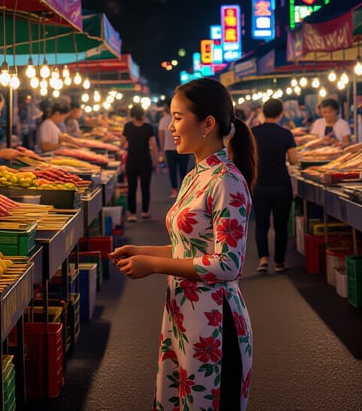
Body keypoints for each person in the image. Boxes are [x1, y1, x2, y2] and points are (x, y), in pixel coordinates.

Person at [110, 78, 256, 411]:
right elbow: (188, 249)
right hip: (183, 315)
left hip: (215, 325)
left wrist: (155, 265)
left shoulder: (227, 181)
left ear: (207, 124)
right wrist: (142, 252)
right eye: (171, 117)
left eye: (178, 118)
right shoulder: (195, 175)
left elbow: (228, 264)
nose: (171, 127)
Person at [252, 98, 298, 273]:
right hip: (281, 186)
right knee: (281, 226)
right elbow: (294, 160)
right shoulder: (286, 134)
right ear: (281, 114)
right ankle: (279, 262)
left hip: (259, 185)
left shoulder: (252, 132)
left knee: (261, 225)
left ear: (263, 113)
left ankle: (263, 259)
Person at [120, 104, 158, 221]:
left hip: (131, 161)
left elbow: (121, 144)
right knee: (145, 187)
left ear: (132, 114)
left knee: (132, 188)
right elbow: (153, 145)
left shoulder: (127, 127)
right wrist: (156, 162)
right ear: (143, 114)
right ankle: (145, 212)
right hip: (146, 161)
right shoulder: (148, 127)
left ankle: (132, 214)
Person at [159, 105, 191, 198]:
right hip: (183, 148)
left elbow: (161, 135)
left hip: (169, 149)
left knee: (172, 171)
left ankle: (174, 191)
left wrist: (162, 148)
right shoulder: (183, 117)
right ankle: (184, 191)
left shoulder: (163, 120)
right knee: (183, 171)